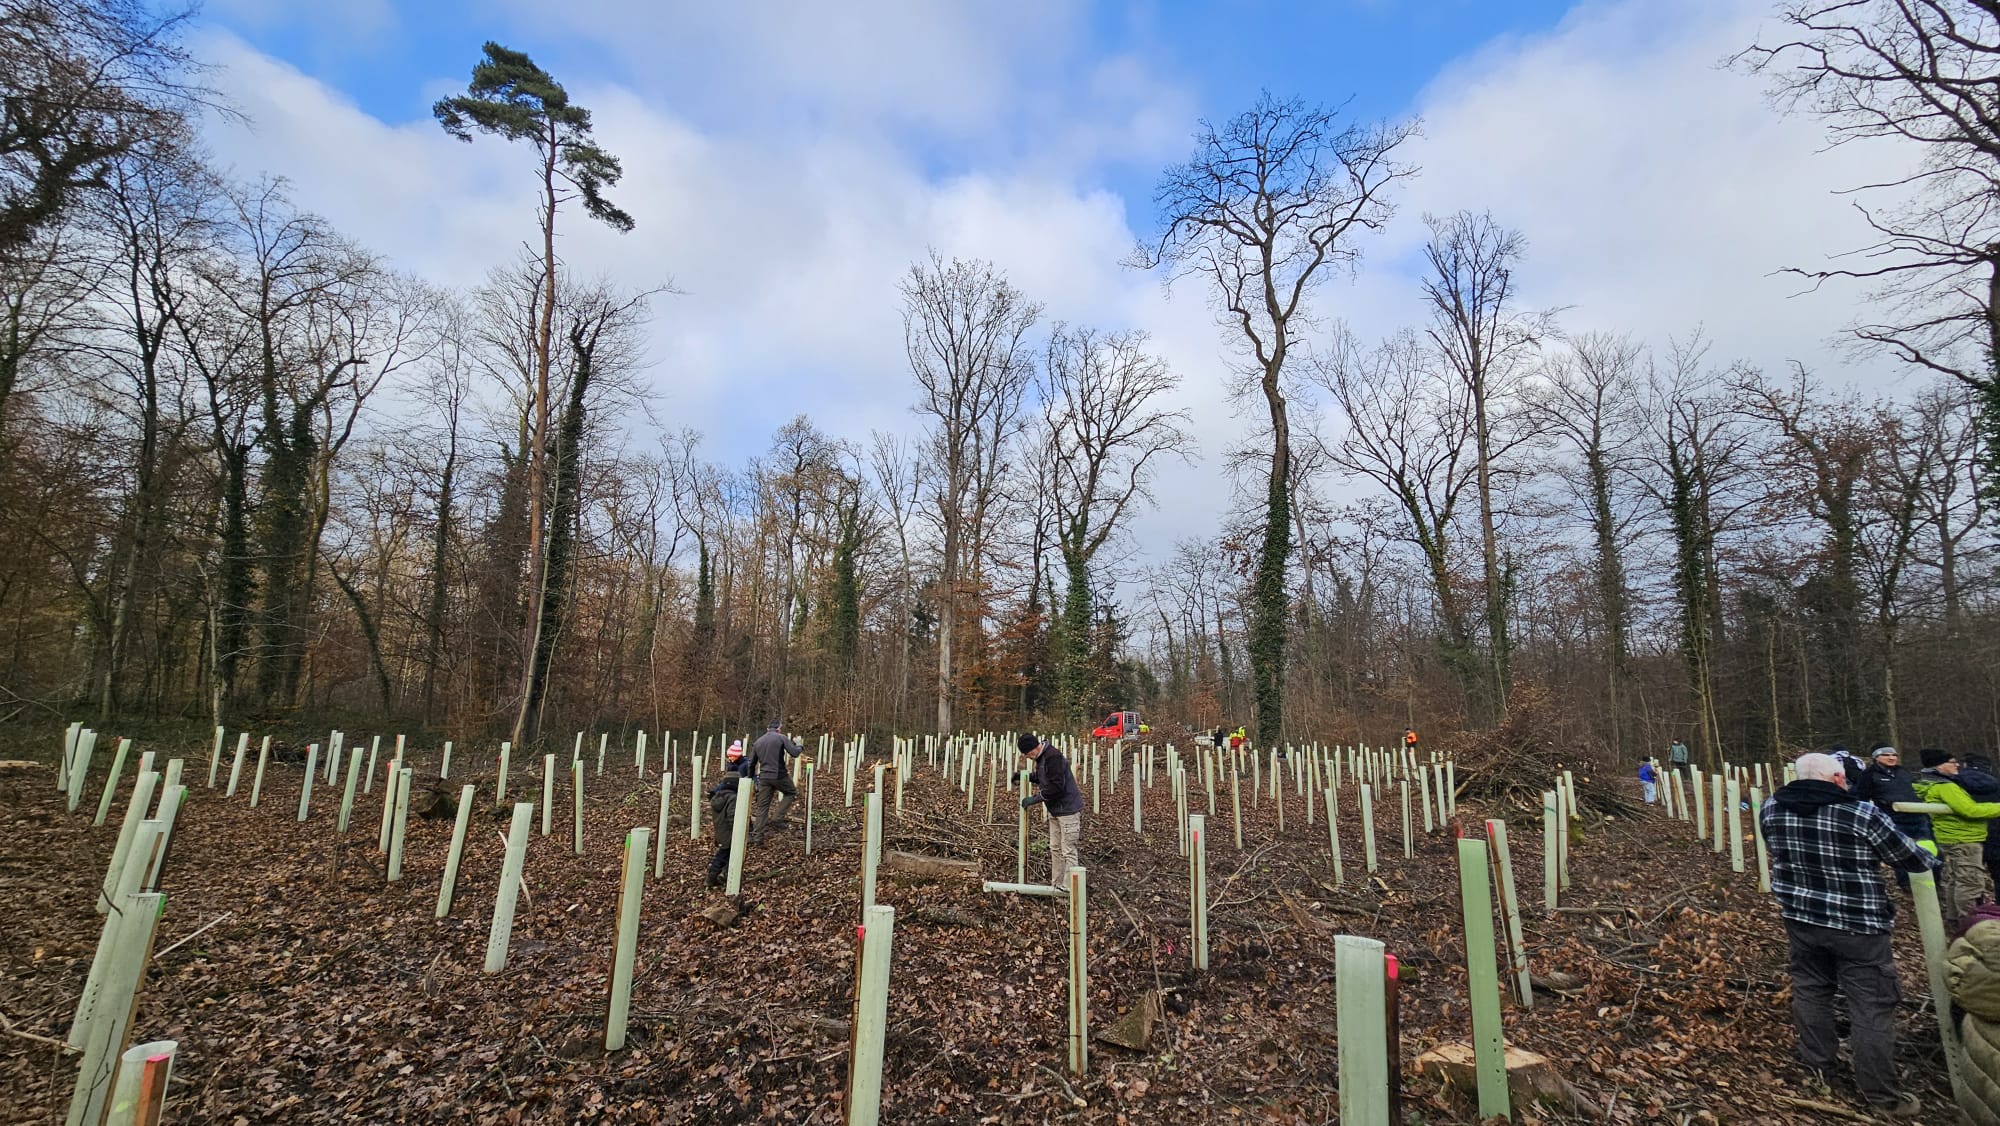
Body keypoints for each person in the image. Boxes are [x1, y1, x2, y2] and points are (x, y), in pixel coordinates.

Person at [1761, 751, 1936, 1117]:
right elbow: (1910, 857)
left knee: (1811, 991)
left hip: (1802, 918)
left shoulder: (1772, 809)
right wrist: (1933, 856)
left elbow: (1773, 847)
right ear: (1839, 778)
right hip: (1859, 925)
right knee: (1871, 1004)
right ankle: (1882, 1094)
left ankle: (1817, 1069)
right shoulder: (1860, 814)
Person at [1914, 748, 2000, 928]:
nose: (1957, 765)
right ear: (1939, 766)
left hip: (1951, 838)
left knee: (1954, 880)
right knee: (1969, 883)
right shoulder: (1946, 787)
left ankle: (1954, 920)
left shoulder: (1931, 784)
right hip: (1964, 839)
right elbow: (1970, 810)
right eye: (1952, 762)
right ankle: (1970, 925)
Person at [1018, 733, 1084, 889]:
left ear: (1033, 749)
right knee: (1055, 848)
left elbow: (1056, 787)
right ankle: (1057, 884)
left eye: (1027, 754)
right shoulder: (1042, 757)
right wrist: (1027, 777)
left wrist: (1035, 799)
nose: (1027, 757)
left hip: (1067, 810)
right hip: (1055, 810)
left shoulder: (1052, 757)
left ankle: (1069, 889)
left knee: (1068, 850)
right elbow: (1044, 776)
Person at [747, 720, 803, 845]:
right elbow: (794, 753)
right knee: (791, 792)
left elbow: (751, 763)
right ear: (779, 728)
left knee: (762, 807)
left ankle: (757, 837)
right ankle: (777, 819)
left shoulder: (758, 742)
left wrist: (751, 779)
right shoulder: (781, 738)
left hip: (764, 778)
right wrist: (799, 744)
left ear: (767, 728)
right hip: (779, 775)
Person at [705, 742, 752, 889]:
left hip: (721, 832)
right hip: (730, 833)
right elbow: (733, 816)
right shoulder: (732, 798)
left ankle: (718, 875)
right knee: (724, 854)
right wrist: (741, 829)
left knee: (724, 854)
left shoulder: (718, 798)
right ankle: (716, 875)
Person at [1965, 753, 2000, 892]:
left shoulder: (1957, 782)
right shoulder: (1996, 782)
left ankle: (1974, 908)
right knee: (1998, 875)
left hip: (1968, 835)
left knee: (1969, 877)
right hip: (1996, 833)